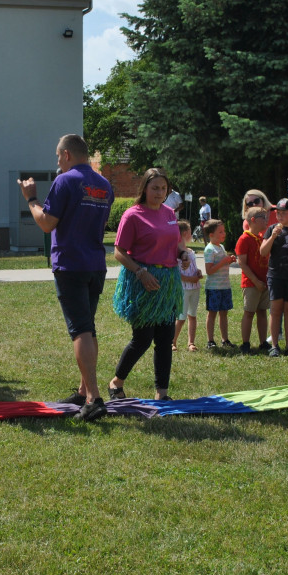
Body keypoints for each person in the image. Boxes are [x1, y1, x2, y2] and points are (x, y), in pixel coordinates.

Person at [19, 134, 114, 422]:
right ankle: (84, 388)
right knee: (89, 328)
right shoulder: (104, 184)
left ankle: (93, 397)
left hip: (70, 264)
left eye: (58, 156)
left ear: (68, 155)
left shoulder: (65, 180)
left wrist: (31, 198)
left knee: (81, 329)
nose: (57, 161)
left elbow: (47, 223)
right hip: (95, 263)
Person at [110, 167, 187, 401]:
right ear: (144, 188)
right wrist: (140, 272)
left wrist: (183, 254)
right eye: (155, 188)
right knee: (142, 339)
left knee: (165, 339)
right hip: (143, 282)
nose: (160, 192)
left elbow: (176, 244)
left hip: (167, 284)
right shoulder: (132, 214)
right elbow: (119, 252)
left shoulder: (169, 213)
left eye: (164, 188)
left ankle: (162, 393)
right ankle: (116, 383)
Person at [260, 198, 288, 357]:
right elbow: (263, 252)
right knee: (276, 310)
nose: (280, 216)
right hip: (276, 275)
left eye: (284, 213)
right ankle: (275, 345)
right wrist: (273, 237)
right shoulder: (271, 229)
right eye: (278, 213)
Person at [236, 206, 272, 354]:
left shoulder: (262, 238)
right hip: (251, 283)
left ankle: (263, 342)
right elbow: (242, 263)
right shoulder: (244, 239)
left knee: (262, 311)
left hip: (264, 282)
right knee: (249, 312)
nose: (266, 221)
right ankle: (245, 343)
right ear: (253, 220)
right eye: (263, 218)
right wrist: (256, 281)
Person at [202, 218, 236, 350]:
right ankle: (210, 340)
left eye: (224, 231)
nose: (224, 234)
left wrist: (229, 261)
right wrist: (223, 262)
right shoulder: (209, 249)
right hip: (214, 287)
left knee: (224, 313)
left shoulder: (220, 247)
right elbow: (209, 271)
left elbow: (221, 263)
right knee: (212, 313)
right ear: (211, 235)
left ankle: (225, 339)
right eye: (220, 232)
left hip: (224, 286)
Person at [172, 220, 203, 351]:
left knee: (192, 315)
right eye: (190, 232)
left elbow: (194, 268)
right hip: (184, 289)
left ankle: (191, 342)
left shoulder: (190, 251)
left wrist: (198, 272)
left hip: (195, 289)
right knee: (181, 317)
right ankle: (172, 341)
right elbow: (178, 275)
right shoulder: (176, 253)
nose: (192, 234)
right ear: (185, 233)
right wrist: (191, 279)